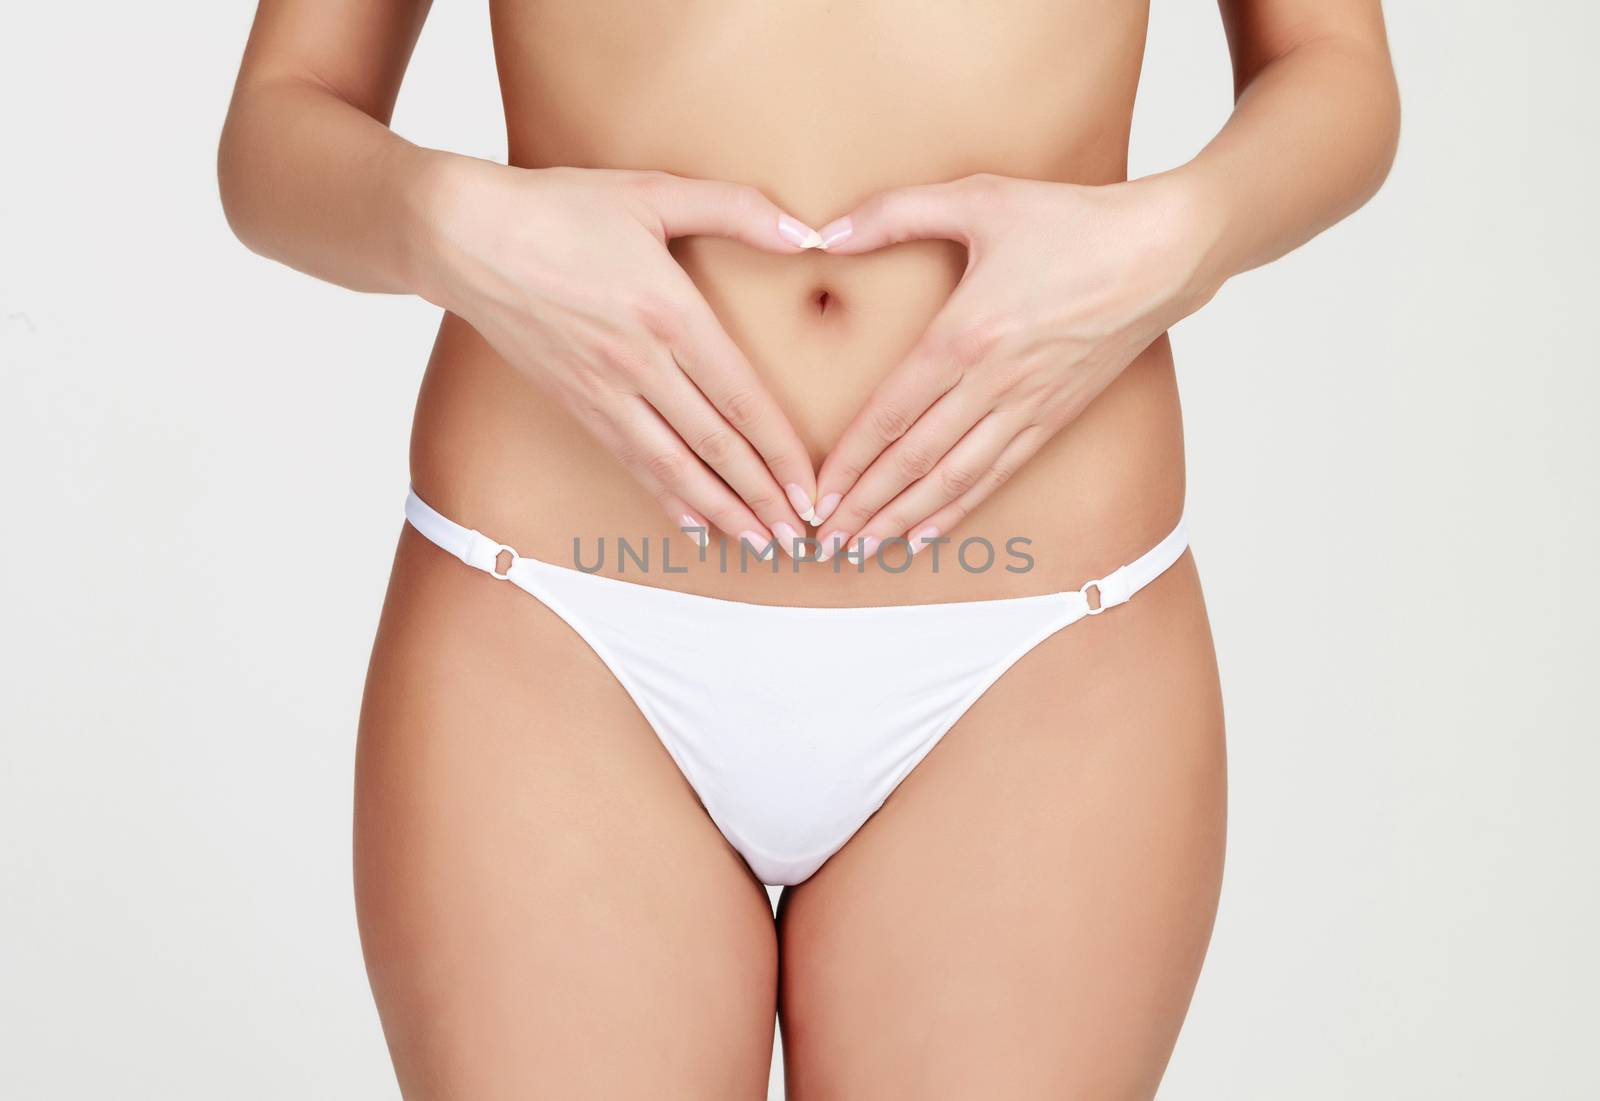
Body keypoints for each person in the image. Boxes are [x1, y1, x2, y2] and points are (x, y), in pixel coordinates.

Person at [219, 1, 1399, 1095]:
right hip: (554, 624)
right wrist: (450, 222)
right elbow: (277, 126)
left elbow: (1336, 71)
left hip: (1042, 653)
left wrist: (1172, 235)